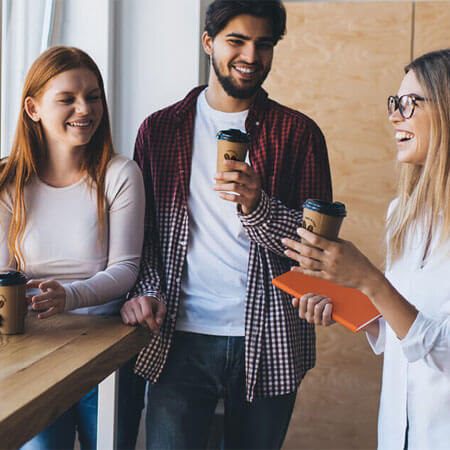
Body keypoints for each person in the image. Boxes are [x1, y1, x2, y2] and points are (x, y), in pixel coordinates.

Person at [120, 1, 332, 448]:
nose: (251, 57)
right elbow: (145, 238)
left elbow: (318, 250)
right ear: (208, 43)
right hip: (178, 335)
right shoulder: (158, 131)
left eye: (264, 44)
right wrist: (148, 291)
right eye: (237, 41)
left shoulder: (298, 134)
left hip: (270, 335)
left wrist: (258, 206)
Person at [282, 48, 450, 449]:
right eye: (395, 103)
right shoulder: (403, 214)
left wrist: (370, 281)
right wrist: (346, 304)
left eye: (410, 104)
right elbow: (405, 330)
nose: (394, 115)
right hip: (397, 433)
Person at [0, 46, 146, 450]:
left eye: (93, 96)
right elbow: (3, 274)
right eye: (67, 99)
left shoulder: (120, 174)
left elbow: (125, 268)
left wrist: (70, 296)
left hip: (104, 350)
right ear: (33, 108)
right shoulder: (8, 180)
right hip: (32, 353)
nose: (85, 108)